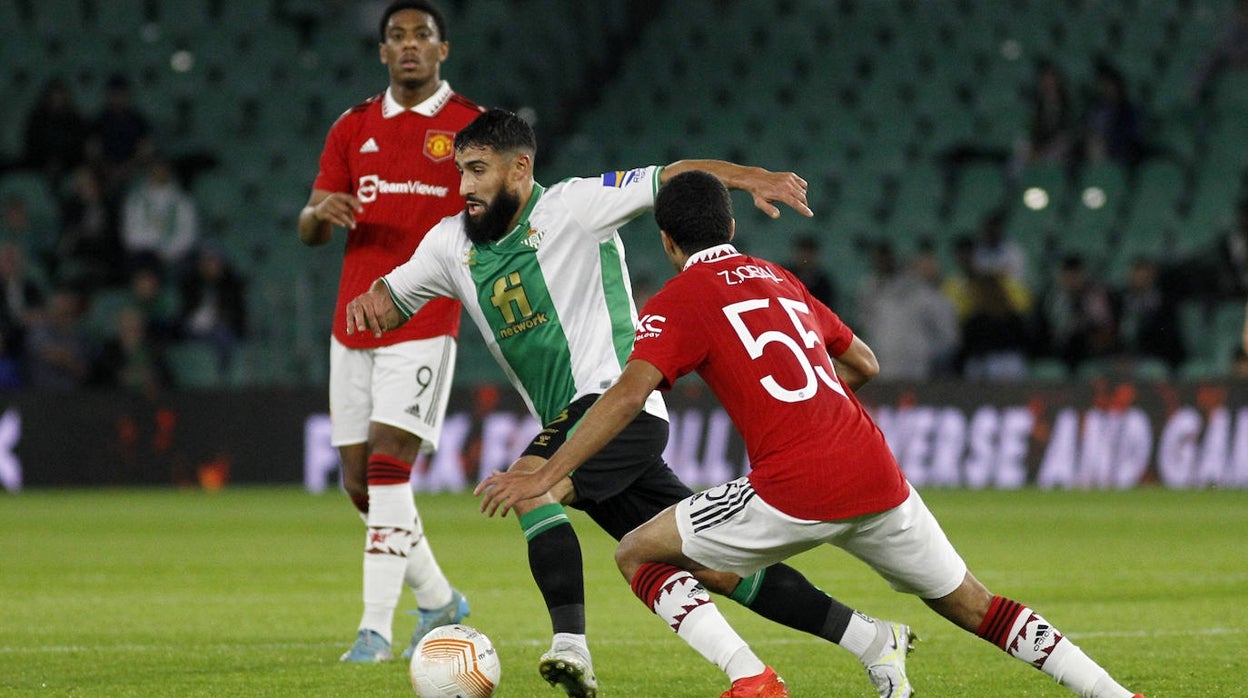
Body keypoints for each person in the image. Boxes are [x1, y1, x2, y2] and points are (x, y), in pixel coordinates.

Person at [477, 170, 1147, 698]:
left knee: (638, 552)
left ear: (666, 240)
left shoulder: (677, 301)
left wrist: (544, 471)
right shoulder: (781, 278)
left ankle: (753, 679)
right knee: (978, 605)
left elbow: (626, 395)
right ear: (731, 223)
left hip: (794, 486)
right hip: (876, 472)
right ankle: (1115, 694)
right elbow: (866, 363)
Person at [347, 108, 915, 698]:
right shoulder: (448, 244)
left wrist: (748, 179)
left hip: (620, 405)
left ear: (520, 168)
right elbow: (394, 296)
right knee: (705, 564)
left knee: (532, 482)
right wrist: (371, 300)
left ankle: (571, 647)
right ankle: (863, 641)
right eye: (460, 171)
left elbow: (673, 176)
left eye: (477, 170)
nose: (463, 185)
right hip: (580, 427)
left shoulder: (574, 206)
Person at [297, 0, 481, 664]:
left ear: (442, 49)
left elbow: (496, 219)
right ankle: (438, 599)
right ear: (382, 53)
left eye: (421, 35)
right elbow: (309, 228)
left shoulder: (470, 127)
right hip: (352, 320)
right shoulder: (353, 127)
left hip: (425, 319)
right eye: (397, 36)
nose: (409, 45)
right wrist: (321, 210)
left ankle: (375, 629)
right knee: (358, 484)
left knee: (387, 466)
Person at [855, 240, 958, 380]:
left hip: (917, 365)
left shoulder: (930, 297)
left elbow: (948, 337)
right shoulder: (875, 292)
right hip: (886, 361)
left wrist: (926, 353)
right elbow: (867, 325)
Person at [120, 156, 199, 276]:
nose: (159, 171)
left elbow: (188, 234)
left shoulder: (183, 200)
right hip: (142, 256)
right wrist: (150, 252)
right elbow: (130, 233)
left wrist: (167, 253)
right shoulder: (135, 199)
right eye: (155, 168)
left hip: (174, 258)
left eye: (162, 168)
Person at [786, 234, 836, 307]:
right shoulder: (785, 276)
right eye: (803, 252)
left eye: (809, 253)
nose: (805, 257)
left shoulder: (823, 283)